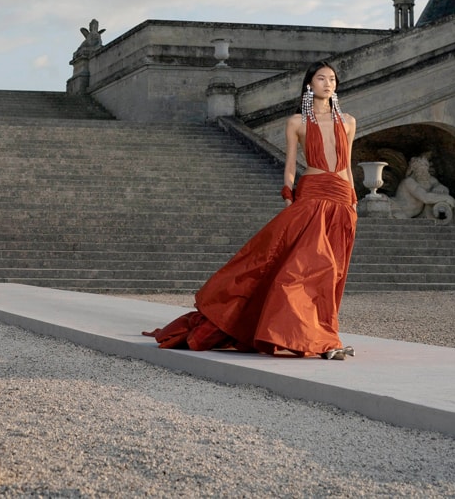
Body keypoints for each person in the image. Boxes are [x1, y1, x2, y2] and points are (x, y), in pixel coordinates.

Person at [144, 61, 358, 360]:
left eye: (332, 79)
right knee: (304, 268)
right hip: (310, 196)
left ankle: (320, 333)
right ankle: (318, 340)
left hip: (340, 198)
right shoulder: (297, 122)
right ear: (309, 85)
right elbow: (291, 165)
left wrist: (352, 201)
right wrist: (288, 195)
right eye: (321, 78)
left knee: (332, 273)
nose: (328, 83)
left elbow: (346, 164)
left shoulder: (348, 121)